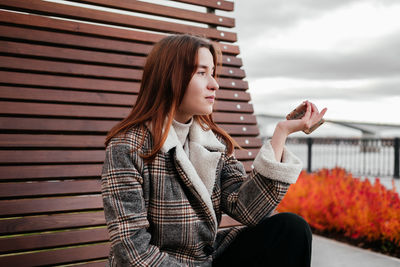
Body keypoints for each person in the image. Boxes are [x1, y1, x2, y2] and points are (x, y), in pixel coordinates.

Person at [101, 34, 327, 267]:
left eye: (212, 72)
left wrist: (281, 134)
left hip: (206, 259)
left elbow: (247, 209)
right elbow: (132, 250)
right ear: (171, 77)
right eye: (201, 73)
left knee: (291, 229)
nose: (214, 84)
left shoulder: (213, 141)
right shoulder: (127, 146)